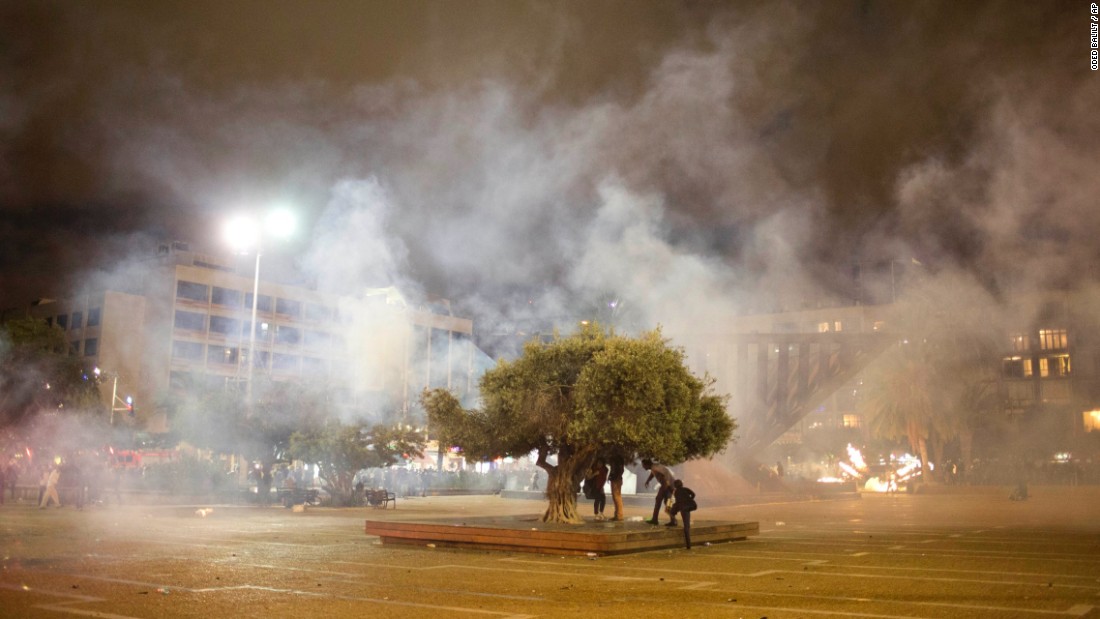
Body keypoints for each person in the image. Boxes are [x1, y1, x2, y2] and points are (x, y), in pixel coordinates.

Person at [641, 458, 676, 525]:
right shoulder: (654, 467)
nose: (643, 467)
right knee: (667, 502)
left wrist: (665, 488)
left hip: (667, 485)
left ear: (647, 464)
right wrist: (648, 480)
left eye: (643, 465)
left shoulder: (655, 468)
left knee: (660, 500)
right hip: (669, 485)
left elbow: (665, 477)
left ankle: (655, 519)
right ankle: (673, 520)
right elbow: (652, 473)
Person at [667, 480, 698, 549]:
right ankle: (688, 545)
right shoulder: (685, 489)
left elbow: (678, 502)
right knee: (687, 526)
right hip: (689, 506)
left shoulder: (676, 492)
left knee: (685, 527)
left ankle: (674, 522)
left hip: (683, 508)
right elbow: (693, 494)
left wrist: (674, 510)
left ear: (675, 486)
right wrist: (689, 499)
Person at [608, 455, 625, 521]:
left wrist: (616, 477)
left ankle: (619, 515)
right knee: (616, 497)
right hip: (615, 479)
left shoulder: (617, 461)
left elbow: (620, 470)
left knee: (617, 497)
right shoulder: (617, 461)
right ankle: (617, 514)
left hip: (616, 480)